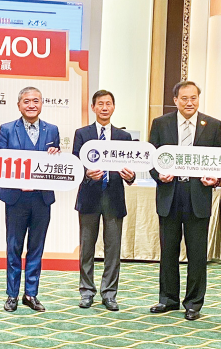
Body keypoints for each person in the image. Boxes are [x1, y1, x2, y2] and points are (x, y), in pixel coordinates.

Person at [148, 81, 221, 321]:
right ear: (175, 100)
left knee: (197, 253)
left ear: (198, 99)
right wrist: (158, 175)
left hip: (197, 196)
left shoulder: (212, 125)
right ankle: (168, 299)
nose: (189, 103)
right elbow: (151, 159)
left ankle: (193, 303)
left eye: (193, 98)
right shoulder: (161, 123)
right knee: (168, 251)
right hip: (170, 194)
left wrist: (215, 179)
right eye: (184, 98)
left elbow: (219, 160)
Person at [0, 87, 60, 312]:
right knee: (14, 247)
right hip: (16, 197)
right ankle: (12, 295)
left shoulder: (52, 130)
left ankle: (31, 294)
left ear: (42, 104)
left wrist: (56, 156)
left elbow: (56, 164)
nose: (31, 105)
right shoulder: (7, 129)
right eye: (26, 101)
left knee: (36, 247)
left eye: (36, 101)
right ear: (19, 105)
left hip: (42, 198)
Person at [72, 90, 135, 312]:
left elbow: (130, 168)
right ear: (93, 107)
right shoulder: (82, 134)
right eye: (100, 104)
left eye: (108, 103)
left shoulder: (124, 137)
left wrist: (131, 177)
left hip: (114, 198)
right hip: (89, 197)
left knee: (113, 250)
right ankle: (86, 292)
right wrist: (87, 174)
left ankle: (109, 294)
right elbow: (75, 165)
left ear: (114, 107)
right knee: (86, 248)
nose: (104, 108)